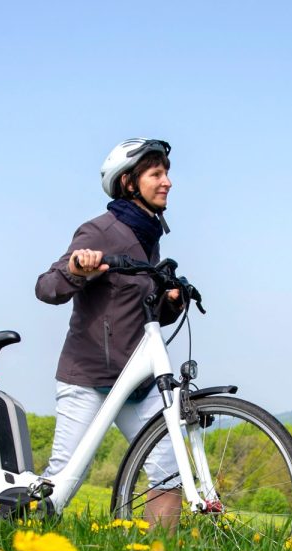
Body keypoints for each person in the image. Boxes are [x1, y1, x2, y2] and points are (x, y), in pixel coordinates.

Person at [35, 138, 184, 527]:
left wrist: (170, 300)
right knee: (63, 482)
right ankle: (20, 538)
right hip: (88, 377)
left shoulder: (147, 239)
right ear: (129, 183)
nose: (167, 181)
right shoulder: (100, 230)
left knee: (168, 468)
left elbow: (140, 313)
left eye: (166, 172)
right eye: (156, 174)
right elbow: (47, 287)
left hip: (135, 381)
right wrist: (77, 270)